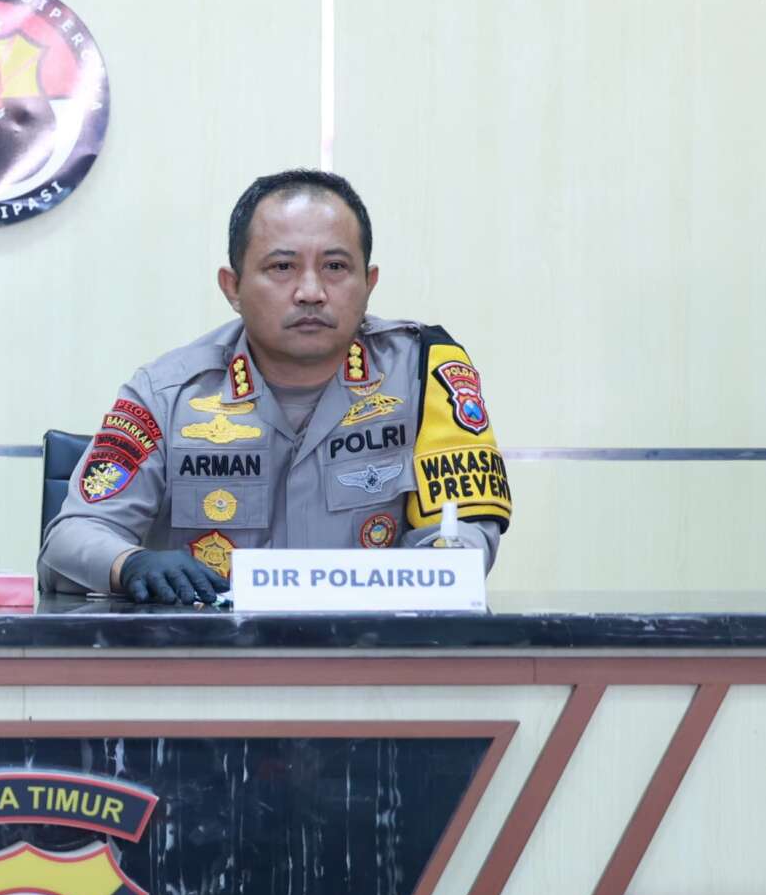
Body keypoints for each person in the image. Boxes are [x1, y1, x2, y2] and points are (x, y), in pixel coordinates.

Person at [40, 168, 511, 604]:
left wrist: (428, 577)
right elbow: (71, 536)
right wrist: (128, 563)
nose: (311, 292)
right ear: (232, 287)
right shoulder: (168, 394)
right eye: (282, 267)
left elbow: (462, 536)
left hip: (370, 650)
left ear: (369, 283)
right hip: (211, 654)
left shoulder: (423, 374)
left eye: (335, 267)